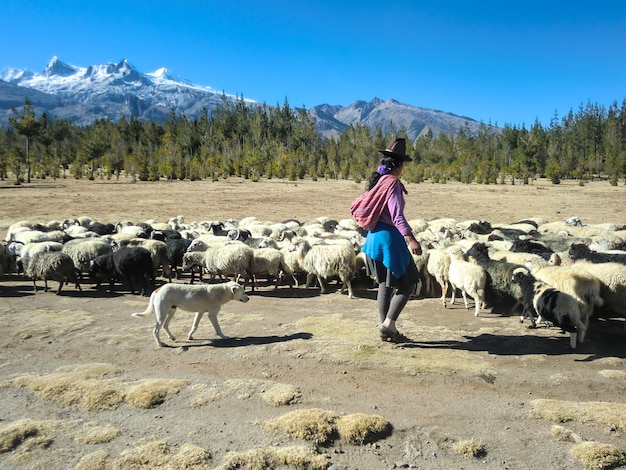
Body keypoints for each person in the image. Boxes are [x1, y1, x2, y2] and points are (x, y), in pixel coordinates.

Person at [360, 137, 422, 343]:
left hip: (373, 240)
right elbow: (397, 216)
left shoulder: (378, 181)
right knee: (409, 283)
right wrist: (411, 238)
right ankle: (389, 325)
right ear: (399, 164)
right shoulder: (392, 183)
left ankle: (385, 328)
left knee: (385, 285)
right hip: (389, 241)